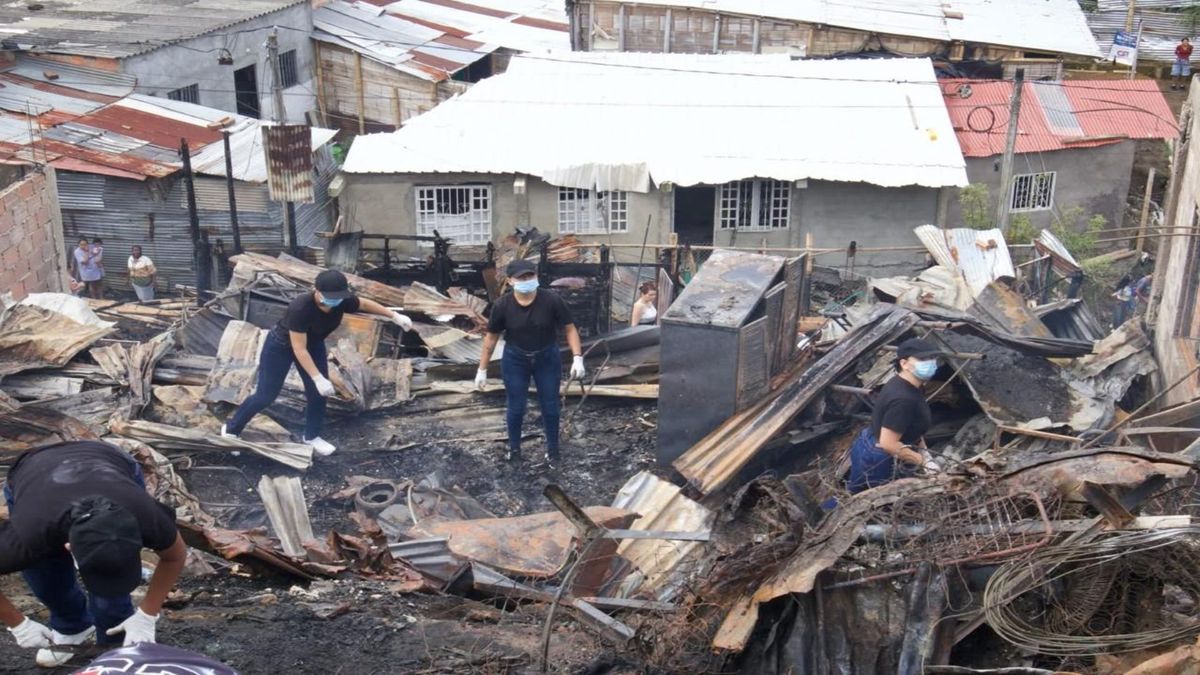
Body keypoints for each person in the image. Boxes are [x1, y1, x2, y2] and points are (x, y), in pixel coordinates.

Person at [0, 440, 186, 668]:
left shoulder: (145, 516)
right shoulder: (27, 533)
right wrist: (18, 623)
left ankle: (115, 641)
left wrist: (148, 615)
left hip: (108, 463)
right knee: (46, 576)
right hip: (33, 472)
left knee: (111, 592)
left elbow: (175, 556)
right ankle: (71, 628)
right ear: (69, 547)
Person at [222, 269, 413, 456]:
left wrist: (394, 316)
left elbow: (364, 304)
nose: (335, 301)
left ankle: (311, 437)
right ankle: (231, 430)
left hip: (313, 344)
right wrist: (317, 377)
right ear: (317, 290)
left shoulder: (341, 300)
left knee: (318, 395)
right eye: (331, 296)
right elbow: (299, 349)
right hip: (281, 347)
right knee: (266, 394)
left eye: (339, 296)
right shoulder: (300, 308)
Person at [474, 259, 585, 464]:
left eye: (530, 276)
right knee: (516, 407)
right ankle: (514, 450)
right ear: (510, 281)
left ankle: (552, 451)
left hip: (547, 357)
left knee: (550, 407)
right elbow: (491, 337)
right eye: (521, 277)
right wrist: (482, 369)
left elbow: (569, 328)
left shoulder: (551, 300)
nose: (527, 280)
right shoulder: (502, 305)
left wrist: (578, 357)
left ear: (536, 277)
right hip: (516, 359)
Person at [847, 337, 942, 494]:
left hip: (869, 442)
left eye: (933, 358)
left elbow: (911, 426)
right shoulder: (904, 399)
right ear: (904, 363)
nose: (931, 363)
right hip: (878, 458)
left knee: (854, 491)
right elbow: (889, 444)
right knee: (869, 501)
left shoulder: (909, 384)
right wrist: (924, 462)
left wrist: (924, 452)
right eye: (923, 359)